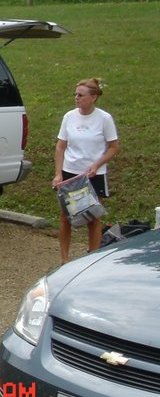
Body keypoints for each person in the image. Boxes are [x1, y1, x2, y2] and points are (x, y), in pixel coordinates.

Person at [52, 77, 120, 263]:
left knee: (93, 217)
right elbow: (60, 146)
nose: (76, 98)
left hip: (94, 174)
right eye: (75, 94)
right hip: (71, 173)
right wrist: (58, 173)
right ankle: (64, 260)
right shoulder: (69, 116)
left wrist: (97, 164)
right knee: (66, 217)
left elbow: (114, 147)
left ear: (93, 97)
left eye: (81, 95)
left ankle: (92, 258)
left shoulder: (104, 118)